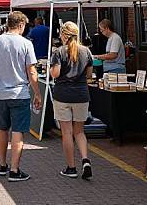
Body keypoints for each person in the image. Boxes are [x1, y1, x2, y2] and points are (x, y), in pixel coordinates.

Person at [0, 11, 42, 182]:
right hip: (19, 93)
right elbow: (31, 71)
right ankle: (15, 170)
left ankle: (2, 165)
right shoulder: (25, 43)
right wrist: (37, 93)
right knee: (18, 131)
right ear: (22, 25)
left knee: (2, 129)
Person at [50, 21, 93, 180]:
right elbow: (89, 75)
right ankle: (85, 160)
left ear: (64, 35)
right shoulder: (86, 51)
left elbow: (55, 73)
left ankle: (71, 167)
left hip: (63, 95)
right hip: (81, 94)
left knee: (66, 132)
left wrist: (50, 68)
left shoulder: (59, 52)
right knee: (80, 131)